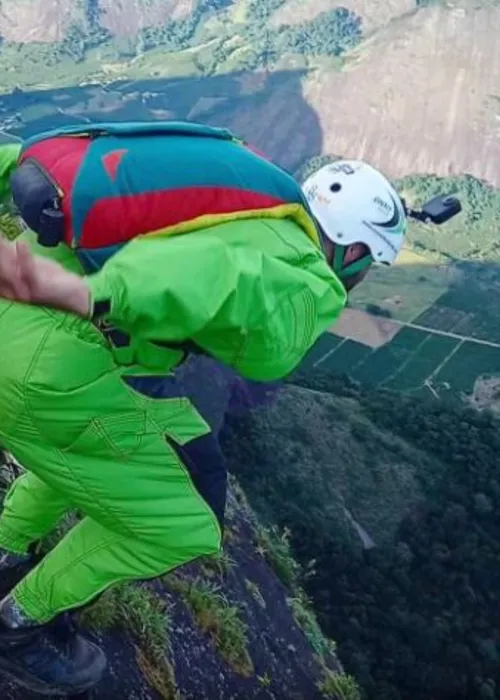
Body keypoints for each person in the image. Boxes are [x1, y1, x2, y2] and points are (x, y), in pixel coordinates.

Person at [0, 124, 406, 695]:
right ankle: (19, 625)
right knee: (185, 525)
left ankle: (7, 545)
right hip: (56, 370)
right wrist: (94, 295)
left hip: (13, 333)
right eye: (366, 266)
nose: (358, 281)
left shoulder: (247, 189)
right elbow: (227, 300)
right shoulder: (303, 271)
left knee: (113, 445)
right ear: (354, 250)